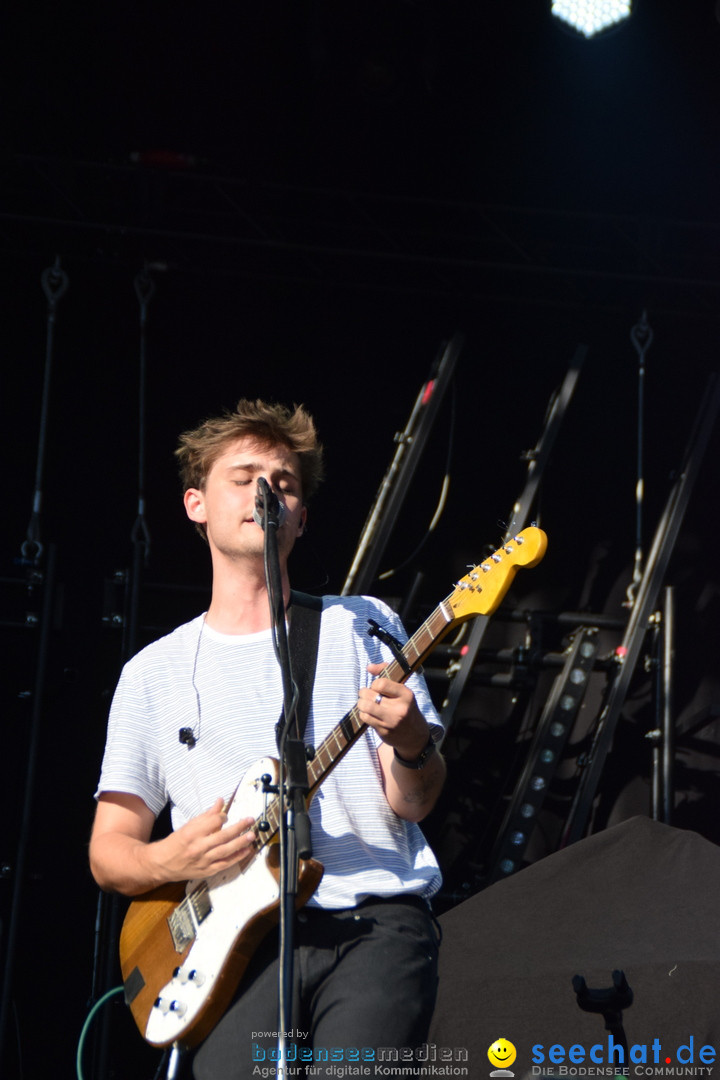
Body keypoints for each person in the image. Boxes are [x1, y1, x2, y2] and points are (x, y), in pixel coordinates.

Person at [89, 398, 446, 1079]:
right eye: (244, 475)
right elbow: (110, 852)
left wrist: (411, 743)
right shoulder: (152, 673)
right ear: (196, 504)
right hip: (234, 951)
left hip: (373, 923)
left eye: (283, 482)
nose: (266, 492)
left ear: (301, 516)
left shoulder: (361, 626)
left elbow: (416, 802)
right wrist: (170, 858)